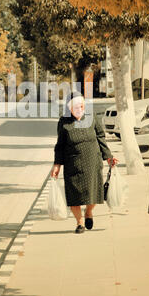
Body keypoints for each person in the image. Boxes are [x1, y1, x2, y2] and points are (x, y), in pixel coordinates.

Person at [51, 91, 118, 234]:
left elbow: (100, 136)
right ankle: (79, 222)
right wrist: (56, 166)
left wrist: (108, 157)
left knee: (92, 193)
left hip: (92, 161)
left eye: (81, 106)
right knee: (74, 196)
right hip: (72, 163)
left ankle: (88, 212)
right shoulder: (64, 122)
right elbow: (60, 146)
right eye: (76, 107)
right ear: (69, 108)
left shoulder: (91, 117)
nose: (79, 110)